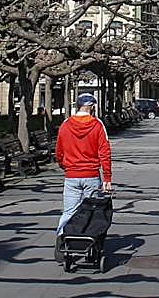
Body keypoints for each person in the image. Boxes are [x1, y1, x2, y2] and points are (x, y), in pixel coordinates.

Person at [54, 93, 112, 261]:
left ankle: (62, 238)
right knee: (93, 212)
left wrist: (64, 166)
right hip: (91, 175)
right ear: (92, 107)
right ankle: (90, 245)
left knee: (69, 211)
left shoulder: (65, 125)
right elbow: (105, 153)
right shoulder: (97, 125)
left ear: (77, 106)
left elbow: (59, 151)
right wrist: (107, 178)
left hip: (71, 175)